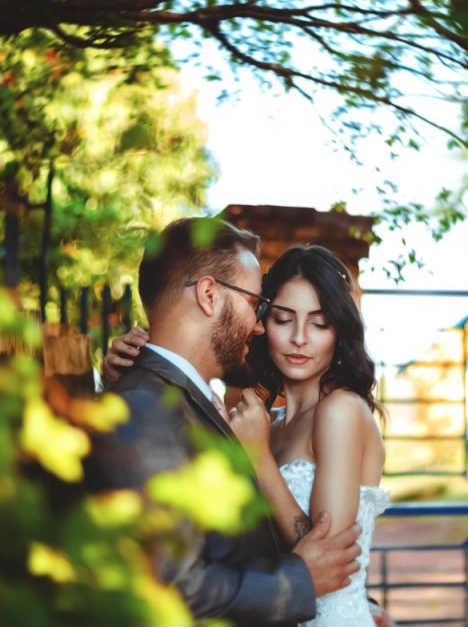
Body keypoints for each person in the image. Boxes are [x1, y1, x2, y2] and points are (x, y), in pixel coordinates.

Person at [85, 217, 363, 627]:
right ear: (209, 295)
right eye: (256, 305)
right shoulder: (144, 407)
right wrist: (298, 580)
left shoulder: (192, 403)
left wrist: (358, 605)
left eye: (319, 323)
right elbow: (171, 587)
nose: (258, 325)